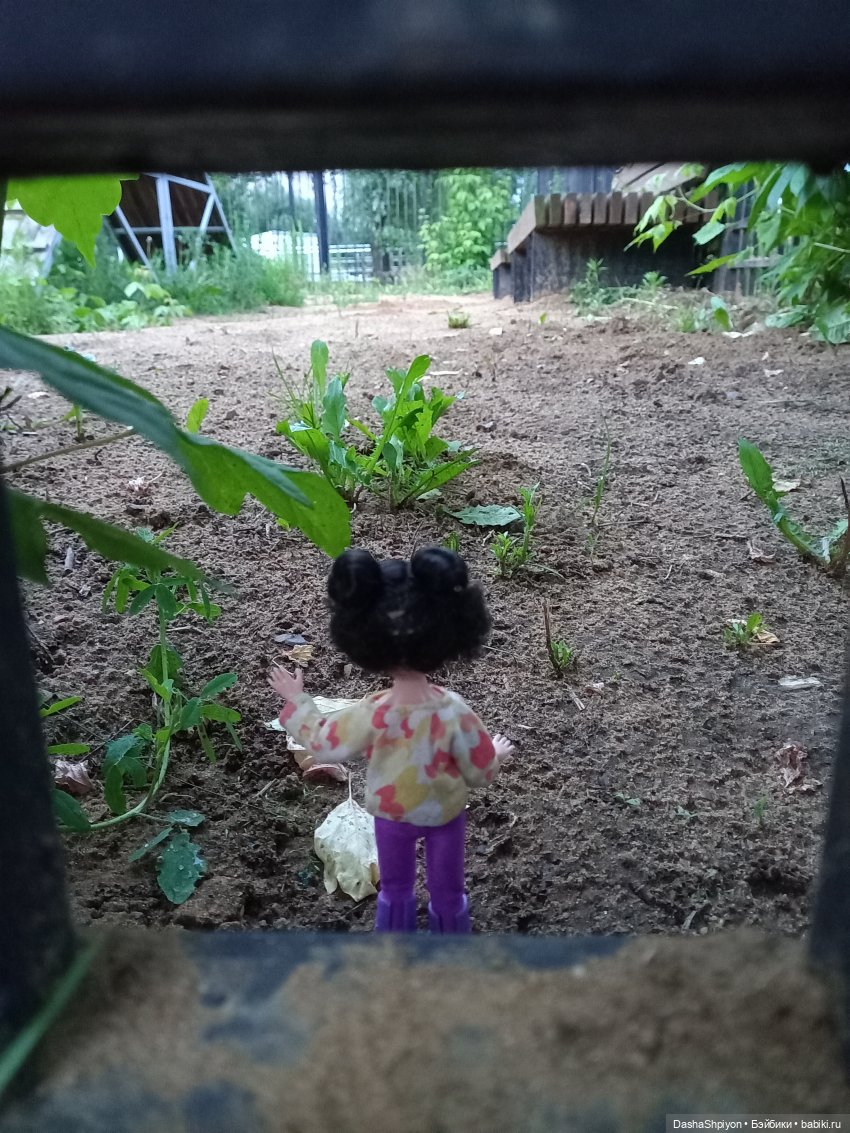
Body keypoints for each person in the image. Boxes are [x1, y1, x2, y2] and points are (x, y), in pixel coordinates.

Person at [269, 546, 514, 933]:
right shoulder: (452, 710)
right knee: (448, 890)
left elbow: (326, 743)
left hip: (391, 812)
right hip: (444, 813)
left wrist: (299, 701)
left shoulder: (374, 712)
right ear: (451, 634)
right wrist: (496, 752)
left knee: (396, 888)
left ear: (366, 640)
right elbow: (481, 770)